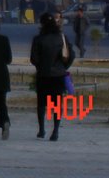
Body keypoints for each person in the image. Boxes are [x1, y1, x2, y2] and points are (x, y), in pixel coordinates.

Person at [30, 11, 74, 141]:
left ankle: (41, 129)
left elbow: (33, 59)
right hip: (58, 75)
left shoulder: (38, 39)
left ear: (42, 24)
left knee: (41, 104)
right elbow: (71, 55)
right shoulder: (62, 37)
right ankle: (55, 131)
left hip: (43, 75)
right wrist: (63, 68)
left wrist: (41, 66)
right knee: (57, 104)